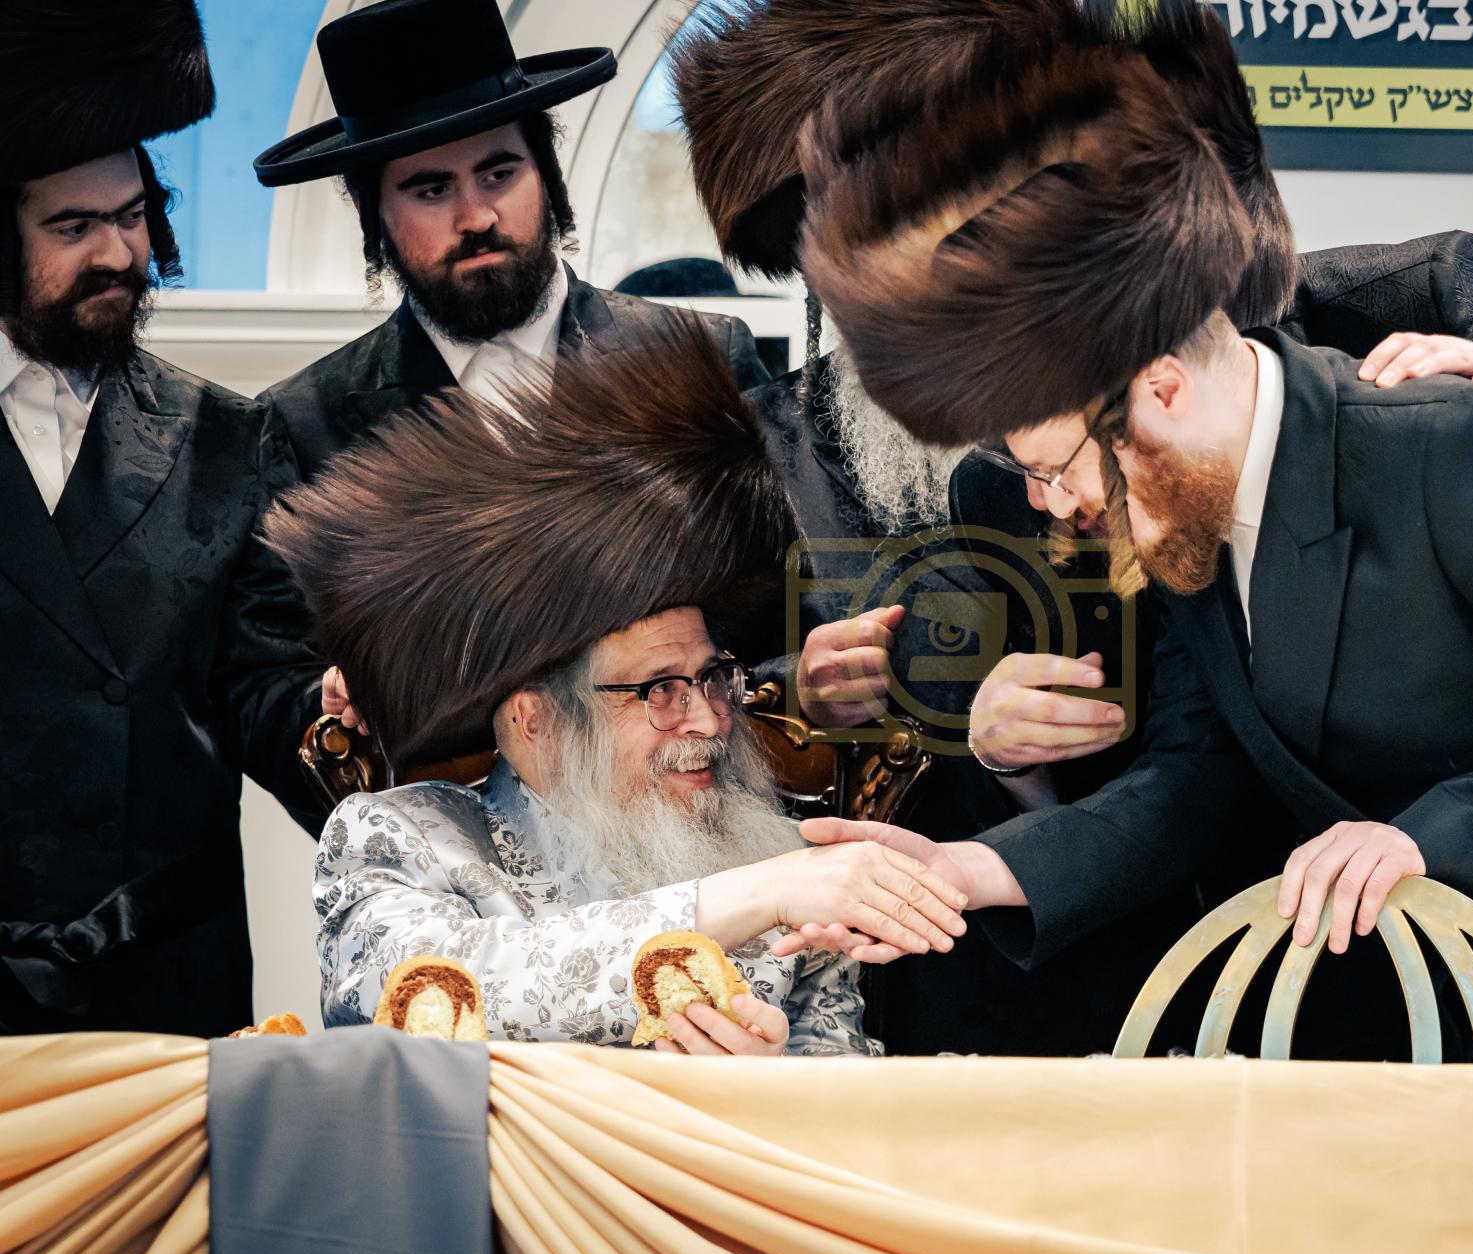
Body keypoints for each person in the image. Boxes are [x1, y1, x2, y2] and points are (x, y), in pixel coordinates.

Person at [670, 0, 1473, 1055]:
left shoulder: (1406, 363)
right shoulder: (1149, 500)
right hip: (1338, 975)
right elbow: (1201, 767)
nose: (1054, 505)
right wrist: (966, 845)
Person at [264, 315, 967, 1053]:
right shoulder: (400, 837)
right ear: (534, 719)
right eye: (658, 689)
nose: (709, 720)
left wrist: (769, 1081)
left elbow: (841, 1079)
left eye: (712, 677)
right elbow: (417, 996)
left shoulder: (781, 852)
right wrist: (745, 897)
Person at [0, 0, 328, 1035]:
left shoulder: (229, 437)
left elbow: (266, 693)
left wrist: (334, 716)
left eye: (134, 215)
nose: (119, 252)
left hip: (169, 986)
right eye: (73, 228)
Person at [252, 0, 768, 484]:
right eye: (432, 191)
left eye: (498, 175)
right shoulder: (303, 424)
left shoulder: (700, 363)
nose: (477, 218)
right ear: (371, 212)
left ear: (546, 171)